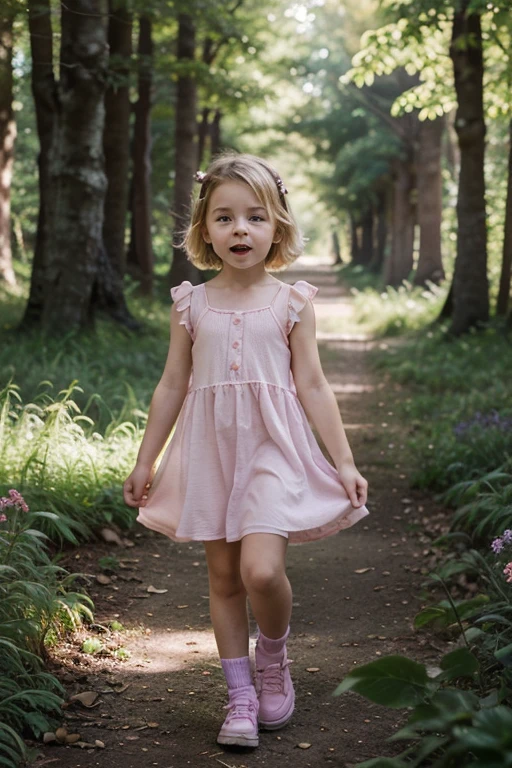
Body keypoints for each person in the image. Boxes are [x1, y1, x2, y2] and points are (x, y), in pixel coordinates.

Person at [123, 153, 369, 749]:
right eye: (225, 218)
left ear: (277, 227)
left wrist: (344, 460)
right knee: (224, 575)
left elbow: (311, 384)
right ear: (204, 229)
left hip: (274, 451)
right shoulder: (191, 304)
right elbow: (172, 384)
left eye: (255, 217)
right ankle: (238, 697)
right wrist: (145, 458)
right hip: (211, 451)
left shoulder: (293, 303)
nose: (240, 230)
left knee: (262, 570)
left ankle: (274, 658)